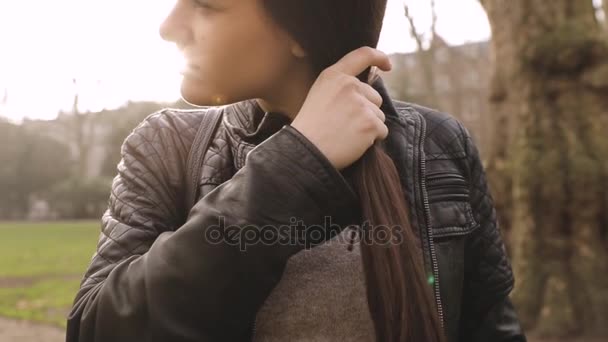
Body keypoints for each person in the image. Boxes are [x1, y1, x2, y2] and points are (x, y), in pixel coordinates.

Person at [66, 0, 527, 341]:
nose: (167, 26)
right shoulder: (166, 146)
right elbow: (95, 330)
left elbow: (491, 328)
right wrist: (294, 164)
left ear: (302, 29)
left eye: (205, 5)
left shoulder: (440, 143)